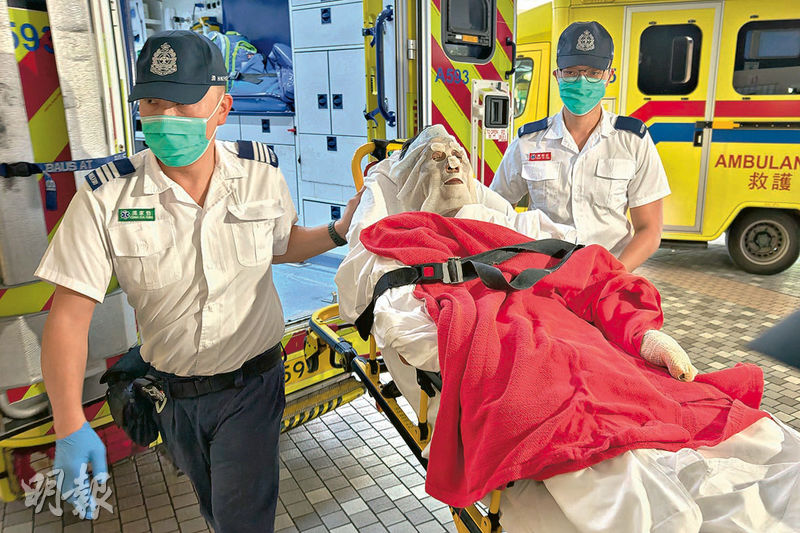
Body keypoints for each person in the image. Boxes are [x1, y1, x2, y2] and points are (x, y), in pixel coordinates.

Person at [34, 30, 362, 532]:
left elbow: (282, 245)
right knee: (213, 505)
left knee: (240, 519)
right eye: (152, 102)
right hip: (171, 395)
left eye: (182, 102)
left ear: (222, 108)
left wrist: (340, 230)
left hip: (252, 384)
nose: (165, 117)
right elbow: (68, 316)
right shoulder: (106, 197)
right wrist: (69, 423)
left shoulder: (259, 174)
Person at [490, 21, 670, 272]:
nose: (582, 81)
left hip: (610, 273)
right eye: (571, 72)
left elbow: (649, 230)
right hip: (540, 275)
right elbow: (495, 211)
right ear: (557, 76)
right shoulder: (529, 142)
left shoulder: (632, 141)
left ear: (609, 76)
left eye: (593, 73)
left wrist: (611, 276)